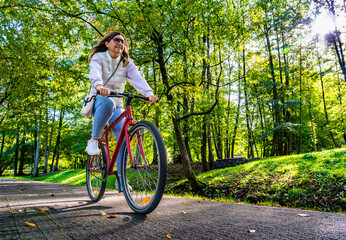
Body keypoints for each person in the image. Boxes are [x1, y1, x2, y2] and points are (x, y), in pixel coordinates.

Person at [85, 31, 158, 190]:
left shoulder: (126, 62)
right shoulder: (99, 57)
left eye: (123, 42)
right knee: (108, 104)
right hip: (100, 99)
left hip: (117, 103)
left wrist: (149, 93)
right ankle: (94, 139)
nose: (120, 43)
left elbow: (137, 78)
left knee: (124, 138)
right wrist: (99, 85)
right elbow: (94, 71)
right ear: (107, 43)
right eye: (117, 40)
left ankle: (121, 179)